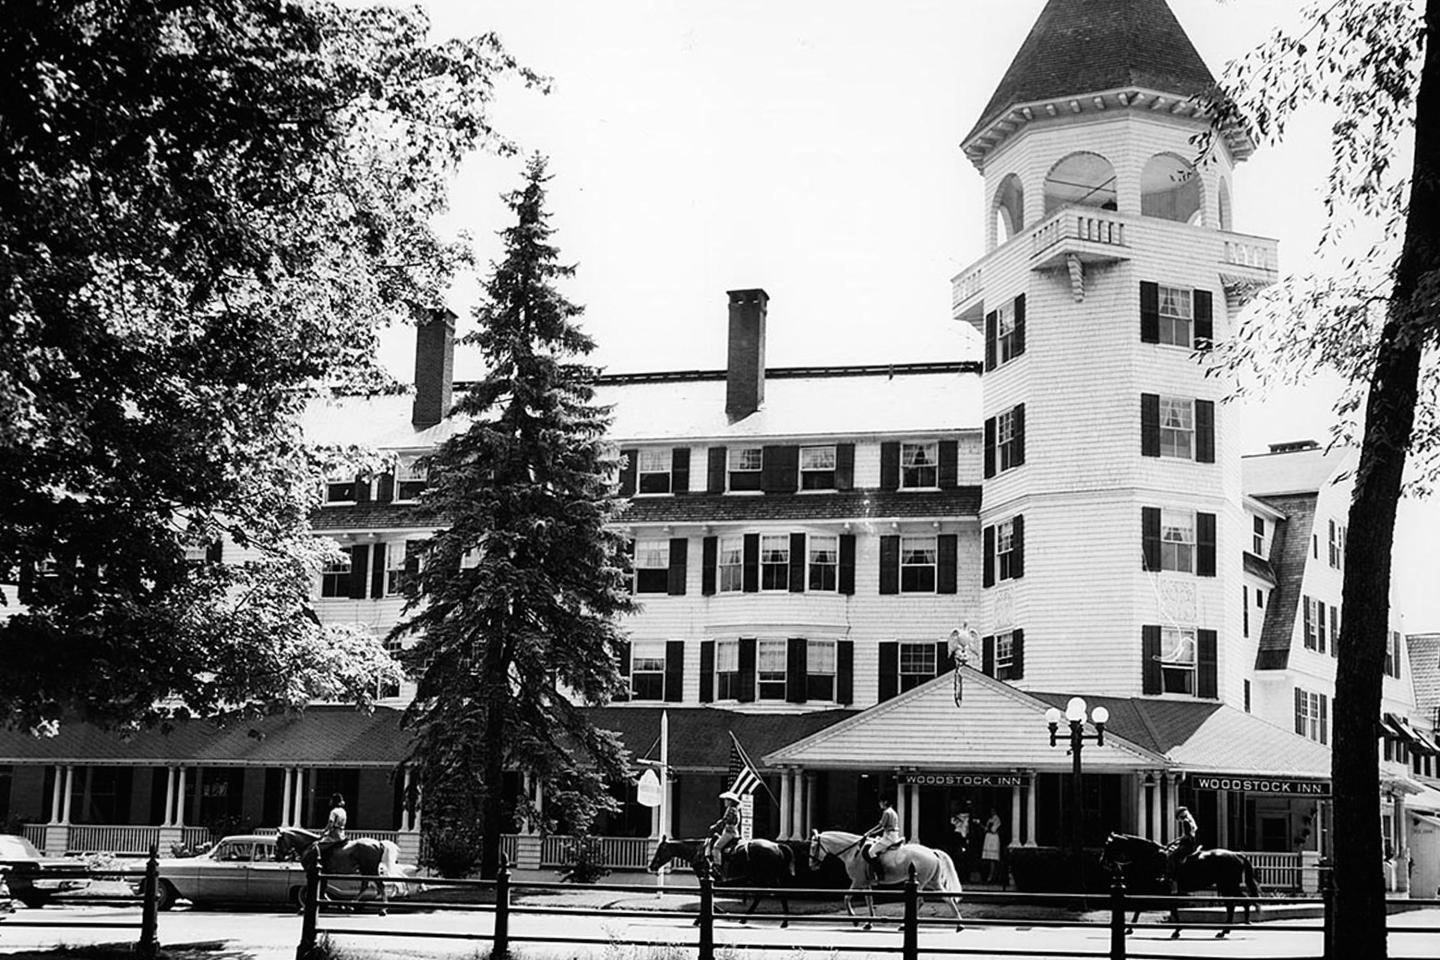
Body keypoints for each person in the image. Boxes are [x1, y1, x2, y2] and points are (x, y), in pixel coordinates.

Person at [1164, 805, 1200, 890]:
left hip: (1187, 845)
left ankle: (1171, 876)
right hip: (1190, 844)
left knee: (1171, 856)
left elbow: (1186, 836)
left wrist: (1173, 842)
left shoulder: (1185, 822)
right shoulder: (1189, 821)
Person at [863, 797, 903, 869]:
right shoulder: (893, 812)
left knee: (871, 852)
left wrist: (869, 833)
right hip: (894, 835)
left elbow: (881, 826)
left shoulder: (886, 812)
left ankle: (879, 871)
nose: (879, 804)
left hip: (889, 837)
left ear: (885, 802)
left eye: (880, 802)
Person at [706, 791, 742, 870]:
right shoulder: (732, 809)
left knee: (716, 847)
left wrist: (715, 826)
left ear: (730, 801)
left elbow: (725, 820)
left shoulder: (732, 810)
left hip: (730, 833)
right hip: (728, 832)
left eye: (726, 800)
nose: (725, 802)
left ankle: (717, 866)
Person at [316, 792, 348, 867]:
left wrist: (324, 831)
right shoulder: (343, 811)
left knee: (317, 845)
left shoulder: (334, 811)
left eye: (331, 800)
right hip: (342, 833)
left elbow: (331, 823)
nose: (330, 801)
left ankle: (319, 863)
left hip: (334, 834)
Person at [981, 809, 1003, 883]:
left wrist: (989, 828)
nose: (992, 812)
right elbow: (986, 829)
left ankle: (992, 876)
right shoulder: (990, 819)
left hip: (993, 838)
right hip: (989, 838)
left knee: (993, 859)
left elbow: (993, 829)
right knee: (988, 859)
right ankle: (988, 876)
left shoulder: (996, 819)